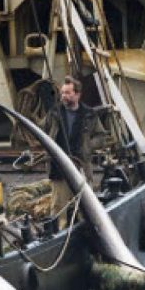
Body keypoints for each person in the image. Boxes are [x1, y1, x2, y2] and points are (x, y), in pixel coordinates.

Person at [43, 76, 101, 222]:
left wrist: (87, 145)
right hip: (58, 169)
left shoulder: (89, 114)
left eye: (68, 93)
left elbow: (101, 137)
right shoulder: (54, 114)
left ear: (77, 94)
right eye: (62, 93)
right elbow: (42, 131)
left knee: (85, 209)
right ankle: (59, 237)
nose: (63, 96)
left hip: (81, 168)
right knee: (57, 209)